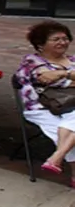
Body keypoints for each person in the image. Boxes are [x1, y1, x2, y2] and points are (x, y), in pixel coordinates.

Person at [15, 20, 75, 186]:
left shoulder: (72, 60)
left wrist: (63, 74)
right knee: (67, 130)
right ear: (40, 44)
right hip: (42, 108)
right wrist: (68, 76)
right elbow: (45, 80)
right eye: (56, 39)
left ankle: (56, 157)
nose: (62, 42)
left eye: (65, 38)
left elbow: (55, 80)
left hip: (71, 107)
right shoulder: (31, 61)